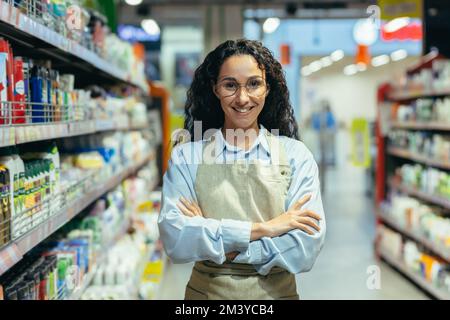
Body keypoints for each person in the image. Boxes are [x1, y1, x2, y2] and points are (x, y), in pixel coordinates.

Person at [158, 39, 326, 300]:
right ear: (215, 89)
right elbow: (176, 240)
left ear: (267, 88)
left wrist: (215, 238)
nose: (242, 98)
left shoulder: (295, 155)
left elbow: (305, 248)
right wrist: (268, 228)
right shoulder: (186, 156)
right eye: (230, 85)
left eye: (254, 84)